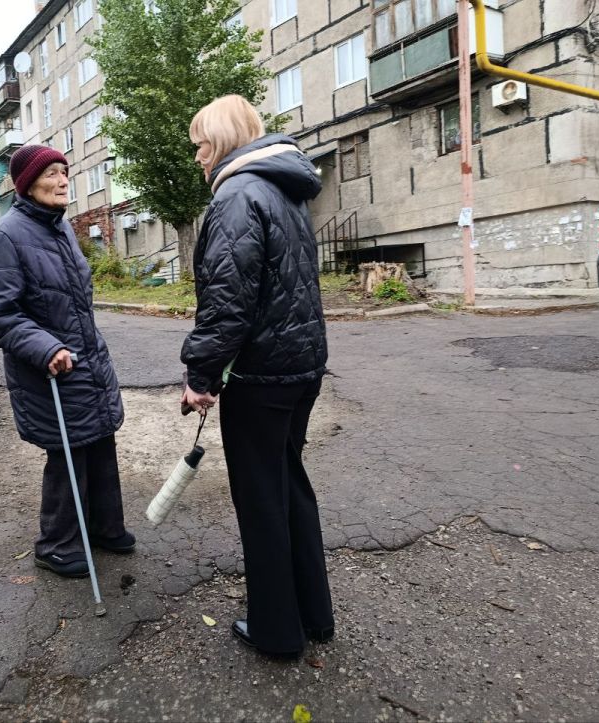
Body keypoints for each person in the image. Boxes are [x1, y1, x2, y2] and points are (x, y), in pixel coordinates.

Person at [180, 95, 334, 656]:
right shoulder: (283, 190)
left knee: (262, 498)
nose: (197, 155)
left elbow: (227, 305)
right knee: (289, 484)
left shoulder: (236, 196)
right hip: (300, 369)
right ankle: (313, 615)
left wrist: (200, 375)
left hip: (261, 377)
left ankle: (275, 629)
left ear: (220, 139)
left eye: (200, 143)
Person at [0, 144, 134, 578]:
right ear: (27, 184)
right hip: (49, 368)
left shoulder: (60, 228)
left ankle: (104, 528)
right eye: (51, 173)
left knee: (100, 442)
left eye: (65, 171)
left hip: (87, 359)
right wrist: (46, 348)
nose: (63, 180)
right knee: (69, 456)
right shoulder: (7, 236)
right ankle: (57, 544)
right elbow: (0, 316)